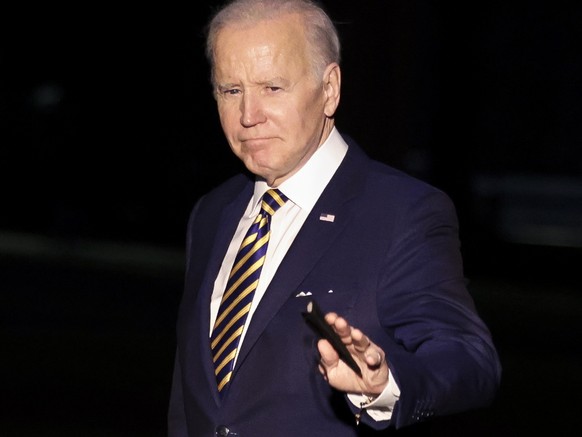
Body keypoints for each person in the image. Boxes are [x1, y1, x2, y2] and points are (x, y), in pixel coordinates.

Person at [168, 0, 501, 435]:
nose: (248, 116)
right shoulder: (212, 212)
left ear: (329, 89)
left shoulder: (402, 212)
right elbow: (193, 398)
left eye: (272, 88)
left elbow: (468, 358)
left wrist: (385, 384)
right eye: (231, 91)